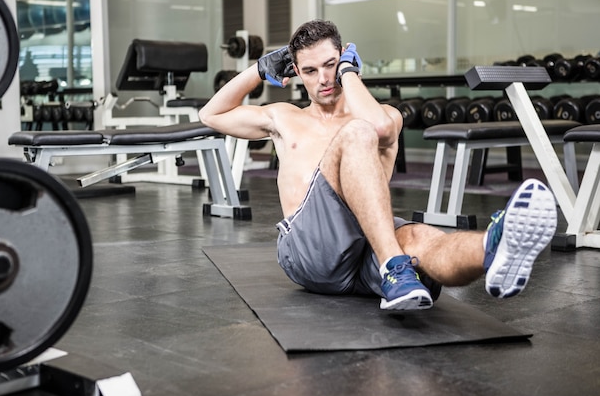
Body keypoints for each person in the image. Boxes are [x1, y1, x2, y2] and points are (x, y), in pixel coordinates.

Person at [199, 19, 558, 311]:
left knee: (421, 238)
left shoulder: (383, 114)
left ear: (344, 60)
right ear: (296, 73)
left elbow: (381, 128)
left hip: (366, 245)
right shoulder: (284, 117)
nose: (324, 79)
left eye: (330, 65)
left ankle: (493, 249)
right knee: (355, 134)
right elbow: (211, 114)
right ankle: (394, 267)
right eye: (310, 71)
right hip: (309, 253)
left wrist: (348, 74)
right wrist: (259, 70)